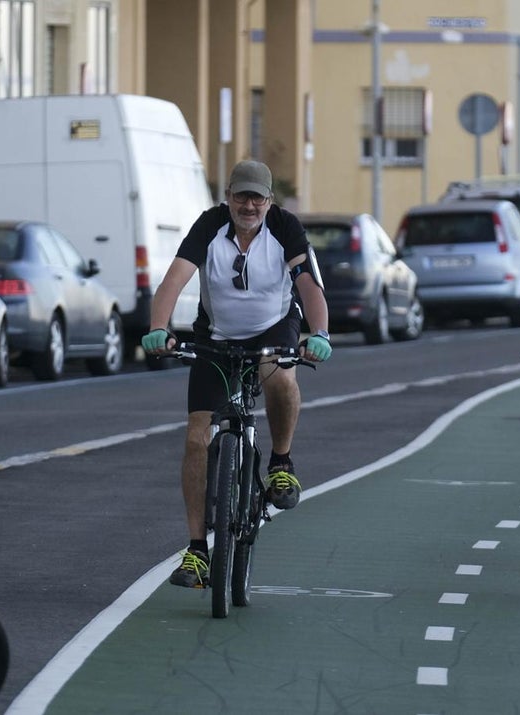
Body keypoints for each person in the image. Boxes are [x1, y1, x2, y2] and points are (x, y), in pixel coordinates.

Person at [141, 159, 333, 589]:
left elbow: (310, 288)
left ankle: (281, 463)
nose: (248, 205)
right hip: (218, 335)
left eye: (257, 197)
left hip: (274, 325)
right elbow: (174, 281)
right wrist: (158, 327)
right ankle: (197, 551)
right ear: (227, 196)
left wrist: (318, 333)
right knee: (195, 437)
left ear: (269, 200)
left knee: (281, 374)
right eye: (240, 196)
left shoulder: (284, 227)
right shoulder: (209, 226)